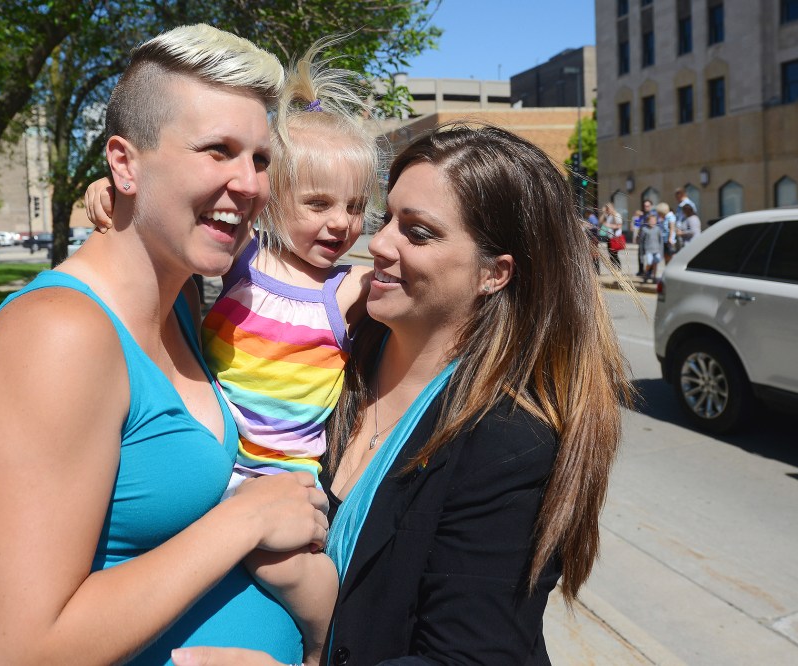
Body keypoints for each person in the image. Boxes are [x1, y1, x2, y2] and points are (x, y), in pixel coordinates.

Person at [171, 123, 632, 665]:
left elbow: (468, 658)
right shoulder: (340, 345)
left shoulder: (509, 441)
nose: (378, 242)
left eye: (418, 232)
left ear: (494, 273)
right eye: (387, 217)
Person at [0, 25, 330, 666]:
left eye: (260, 158)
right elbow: (17, 653)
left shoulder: (179, 300)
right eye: (217, 150)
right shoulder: (58, 337)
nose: (249, 185)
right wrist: (245, 520)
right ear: (124, 163)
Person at [86, 40, 380, 664]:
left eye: (355, 208)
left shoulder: (344, 292)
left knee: (286, 572)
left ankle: (325, 641)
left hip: (286, 472)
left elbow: (403, 278)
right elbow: (174, 214)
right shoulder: (243, 259)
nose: (341, 224)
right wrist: (107, 190)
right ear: (275, 201)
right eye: (319, 204)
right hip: (226, 459)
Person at [639, 210, 664, 282]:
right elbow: (641, 242)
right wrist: (642, 252)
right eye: (651, 221)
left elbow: (660, 241)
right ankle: (645, 273)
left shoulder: (658, 229)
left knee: (655, 263)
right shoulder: (644, 229)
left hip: (656, 249)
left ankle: (654, 277)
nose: (652, 222)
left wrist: (661, 251)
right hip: (648, 249)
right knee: (649, 262)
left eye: (654, 221)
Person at [601, 201, 625, 269]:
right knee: (610, 254)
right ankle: (614, 269)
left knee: (614, 254)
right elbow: (601, 221)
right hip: (609, 237)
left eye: (608, 208)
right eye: (607, 209)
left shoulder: (617, 215)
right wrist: (604, 213)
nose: (608, 210)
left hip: (615, 237)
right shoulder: (608, 215)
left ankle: (618, 268)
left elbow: (619, 226)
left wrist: (609, 225)